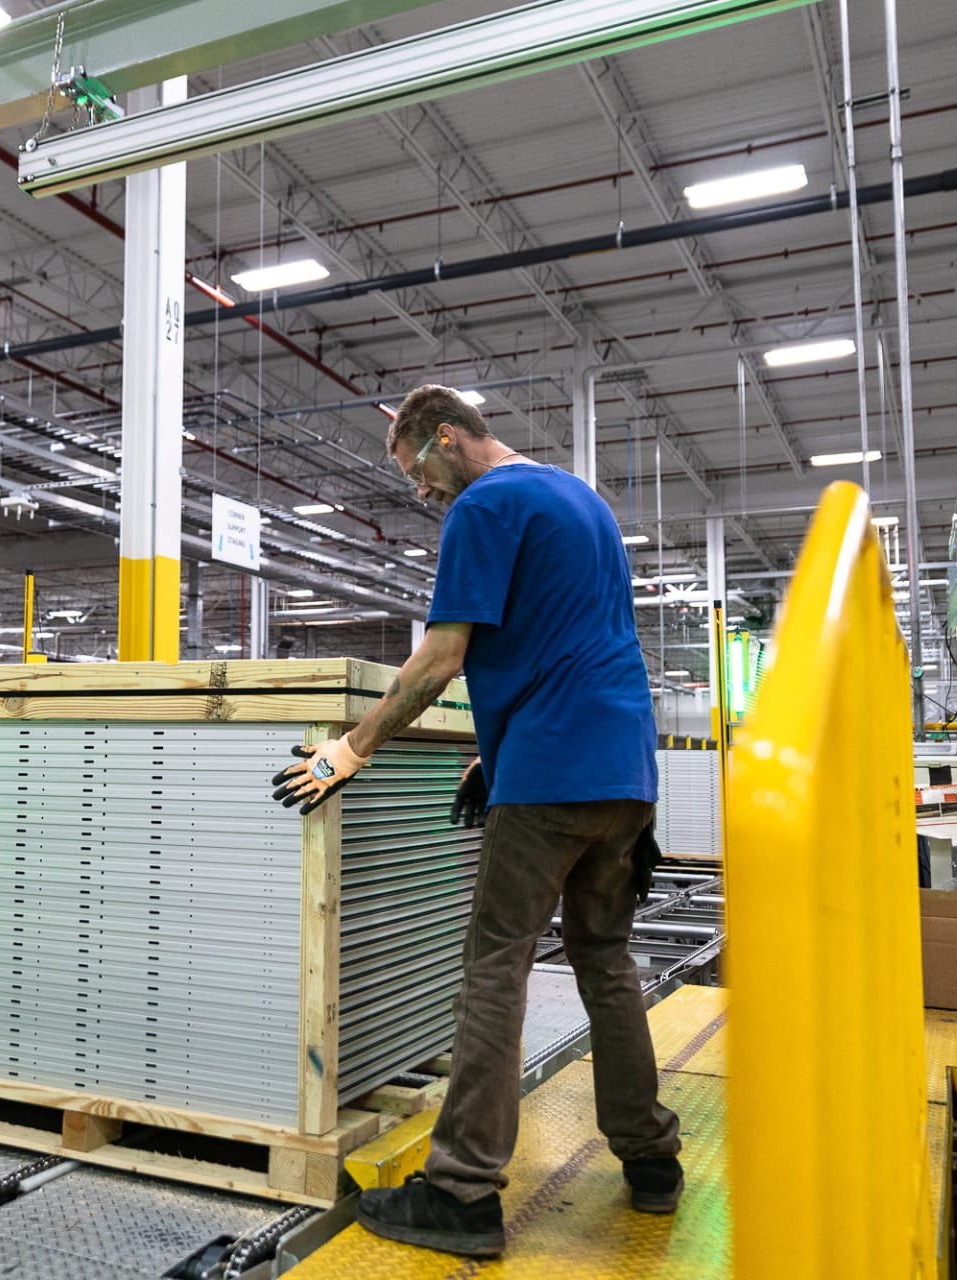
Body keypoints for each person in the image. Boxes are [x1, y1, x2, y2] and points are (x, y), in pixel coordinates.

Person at [270, 384, 681, 1260]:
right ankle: (652, 1161)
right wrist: (496, 755)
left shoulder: (484, 505)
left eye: (418, 472)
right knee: (605, 960)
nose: (423, 495)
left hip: (553, 774)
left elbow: (442, 657)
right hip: (624, 775)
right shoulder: (579, 499)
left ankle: (461, 1193)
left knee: (495, 964)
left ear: (447, 438)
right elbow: (568, 641)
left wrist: (352, 748)